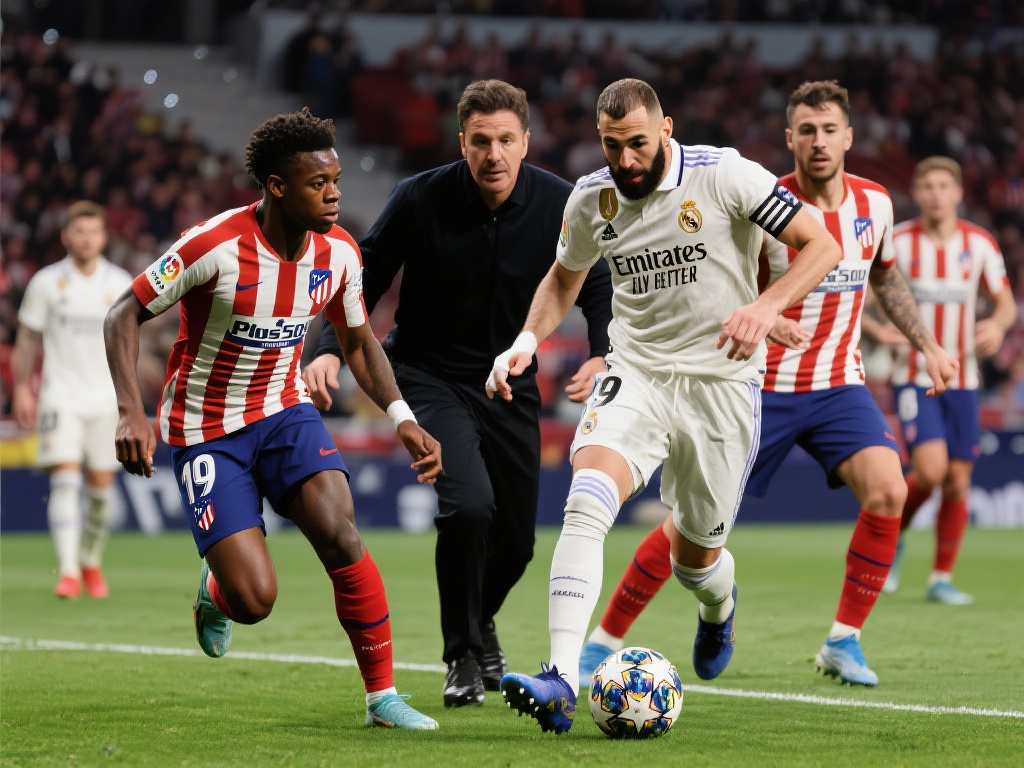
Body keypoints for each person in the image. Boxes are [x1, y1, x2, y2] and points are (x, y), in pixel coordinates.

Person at [574, 80, 959, 693]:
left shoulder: (877, 205)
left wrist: (929, 345)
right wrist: (765, 313)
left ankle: (843, 640)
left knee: (890, 488)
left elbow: (884, 278)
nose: (818, 141)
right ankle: (606, 637)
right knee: (688, 526)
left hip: (837, 384)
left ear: (849, 137)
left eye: (829, 130)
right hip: (756, 384)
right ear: (790, 139)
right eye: (806, 131)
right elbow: (717, 283)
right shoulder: (761, 200)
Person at [488, 77, 846, 734]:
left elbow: (822, 243)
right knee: (586, 500)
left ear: (666, 129)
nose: (625, 160)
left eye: (638, 144)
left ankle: (717, 608)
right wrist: (525, 341)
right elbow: (564, 277)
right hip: (638, 373)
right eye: (612, 145)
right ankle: (561, 677)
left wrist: (766, 306)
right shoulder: (592, 197)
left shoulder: (724, 175)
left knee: (695, 563)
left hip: (721, 386)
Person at [103, 108, 442, 730]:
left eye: (336, 180)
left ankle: (382, 697)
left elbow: (359, 342)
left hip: (284, 410)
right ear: (278, 186)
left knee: (342, 535)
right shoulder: (213, 246)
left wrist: (401, 416)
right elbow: (122, 312)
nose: (334, 194)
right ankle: (217, 590)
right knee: (255, 600)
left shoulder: (340, 254)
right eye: (319, 183)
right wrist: (130, 412)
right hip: (207, 429)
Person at [301, 79, 614, 708]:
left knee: (519, 543)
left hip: (510, 383)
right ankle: (463, 656)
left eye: (505, 140)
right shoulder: (419, 197)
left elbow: (596, 281)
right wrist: (327, 347)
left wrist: (601, 350)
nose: (493, 154)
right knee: (469, 506)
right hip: (428, 376)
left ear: (526, 142)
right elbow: (362, 274)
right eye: (480, 141)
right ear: (462, 143)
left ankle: (480, 621)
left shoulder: (561, 202)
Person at [875, 156, 1017, 604]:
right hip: (913, 374)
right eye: (928, 186)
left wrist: (998, 325)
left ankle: (941, 577)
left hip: (965, 377)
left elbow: (1005, 302)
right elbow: (861, 291)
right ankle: (893, 537)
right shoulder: (898, 240)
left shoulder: (980, 244)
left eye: (944, 186)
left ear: (958, 193)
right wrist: (878, 329)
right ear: (917, 193)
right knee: (932, 471)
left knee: (957, 480)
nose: (936, 194)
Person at [12, 200, 132, 599]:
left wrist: (130, 397)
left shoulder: (119, 282)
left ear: (103, 236)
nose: (86, 239)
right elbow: (27, 337)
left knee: (101, 494)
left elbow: (129, 341)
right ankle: (67, 573)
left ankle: (90, 562)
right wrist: (21, 387)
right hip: (60, 395)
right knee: (65, 481)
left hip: (106, 400)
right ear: (66, 236)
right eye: (79, 231)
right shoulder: (47, 282)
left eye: (93, 231)